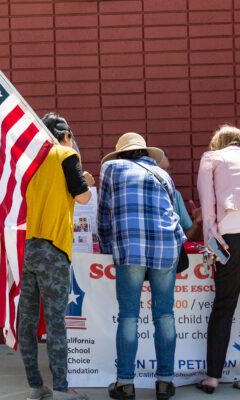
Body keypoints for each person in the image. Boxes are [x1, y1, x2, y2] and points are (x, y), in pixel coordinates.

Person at [98, 132, 185, 400]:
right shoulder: (163, 174)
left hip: (130, 248)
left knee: (128, 316)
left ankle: (125, 384)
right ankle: (165, 383)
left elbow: (104, 213)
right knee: (164, 315)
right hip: (166, 247)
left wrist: (106, 247)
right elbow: (173, 211)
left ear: (121, 152)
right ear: (145, 152)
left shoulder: (110, 168)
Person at [19, 113, 93, 400]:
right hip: (55, 247)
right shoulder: (65, 154)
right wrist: (85, 179)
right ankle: (61, 388)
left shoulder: (31, 160)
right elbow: (83, 196)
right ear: (65, 134)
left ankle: (35, 387)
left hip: (31, 246)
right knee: (55, 322)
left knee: (26, 320)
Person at [195, 125, 240, 393]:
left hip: (229, 237)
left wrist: (212, 245)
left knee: (224, 305)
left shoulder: (212, 159)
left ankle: (212, 377)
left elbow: (208, 205)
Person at [158, 152, 202, 241]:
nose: (167, 174)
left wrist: (196, 223)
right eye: (162, 170)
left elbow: (187, 239)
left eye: (168, 169)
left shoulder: (175, 195)